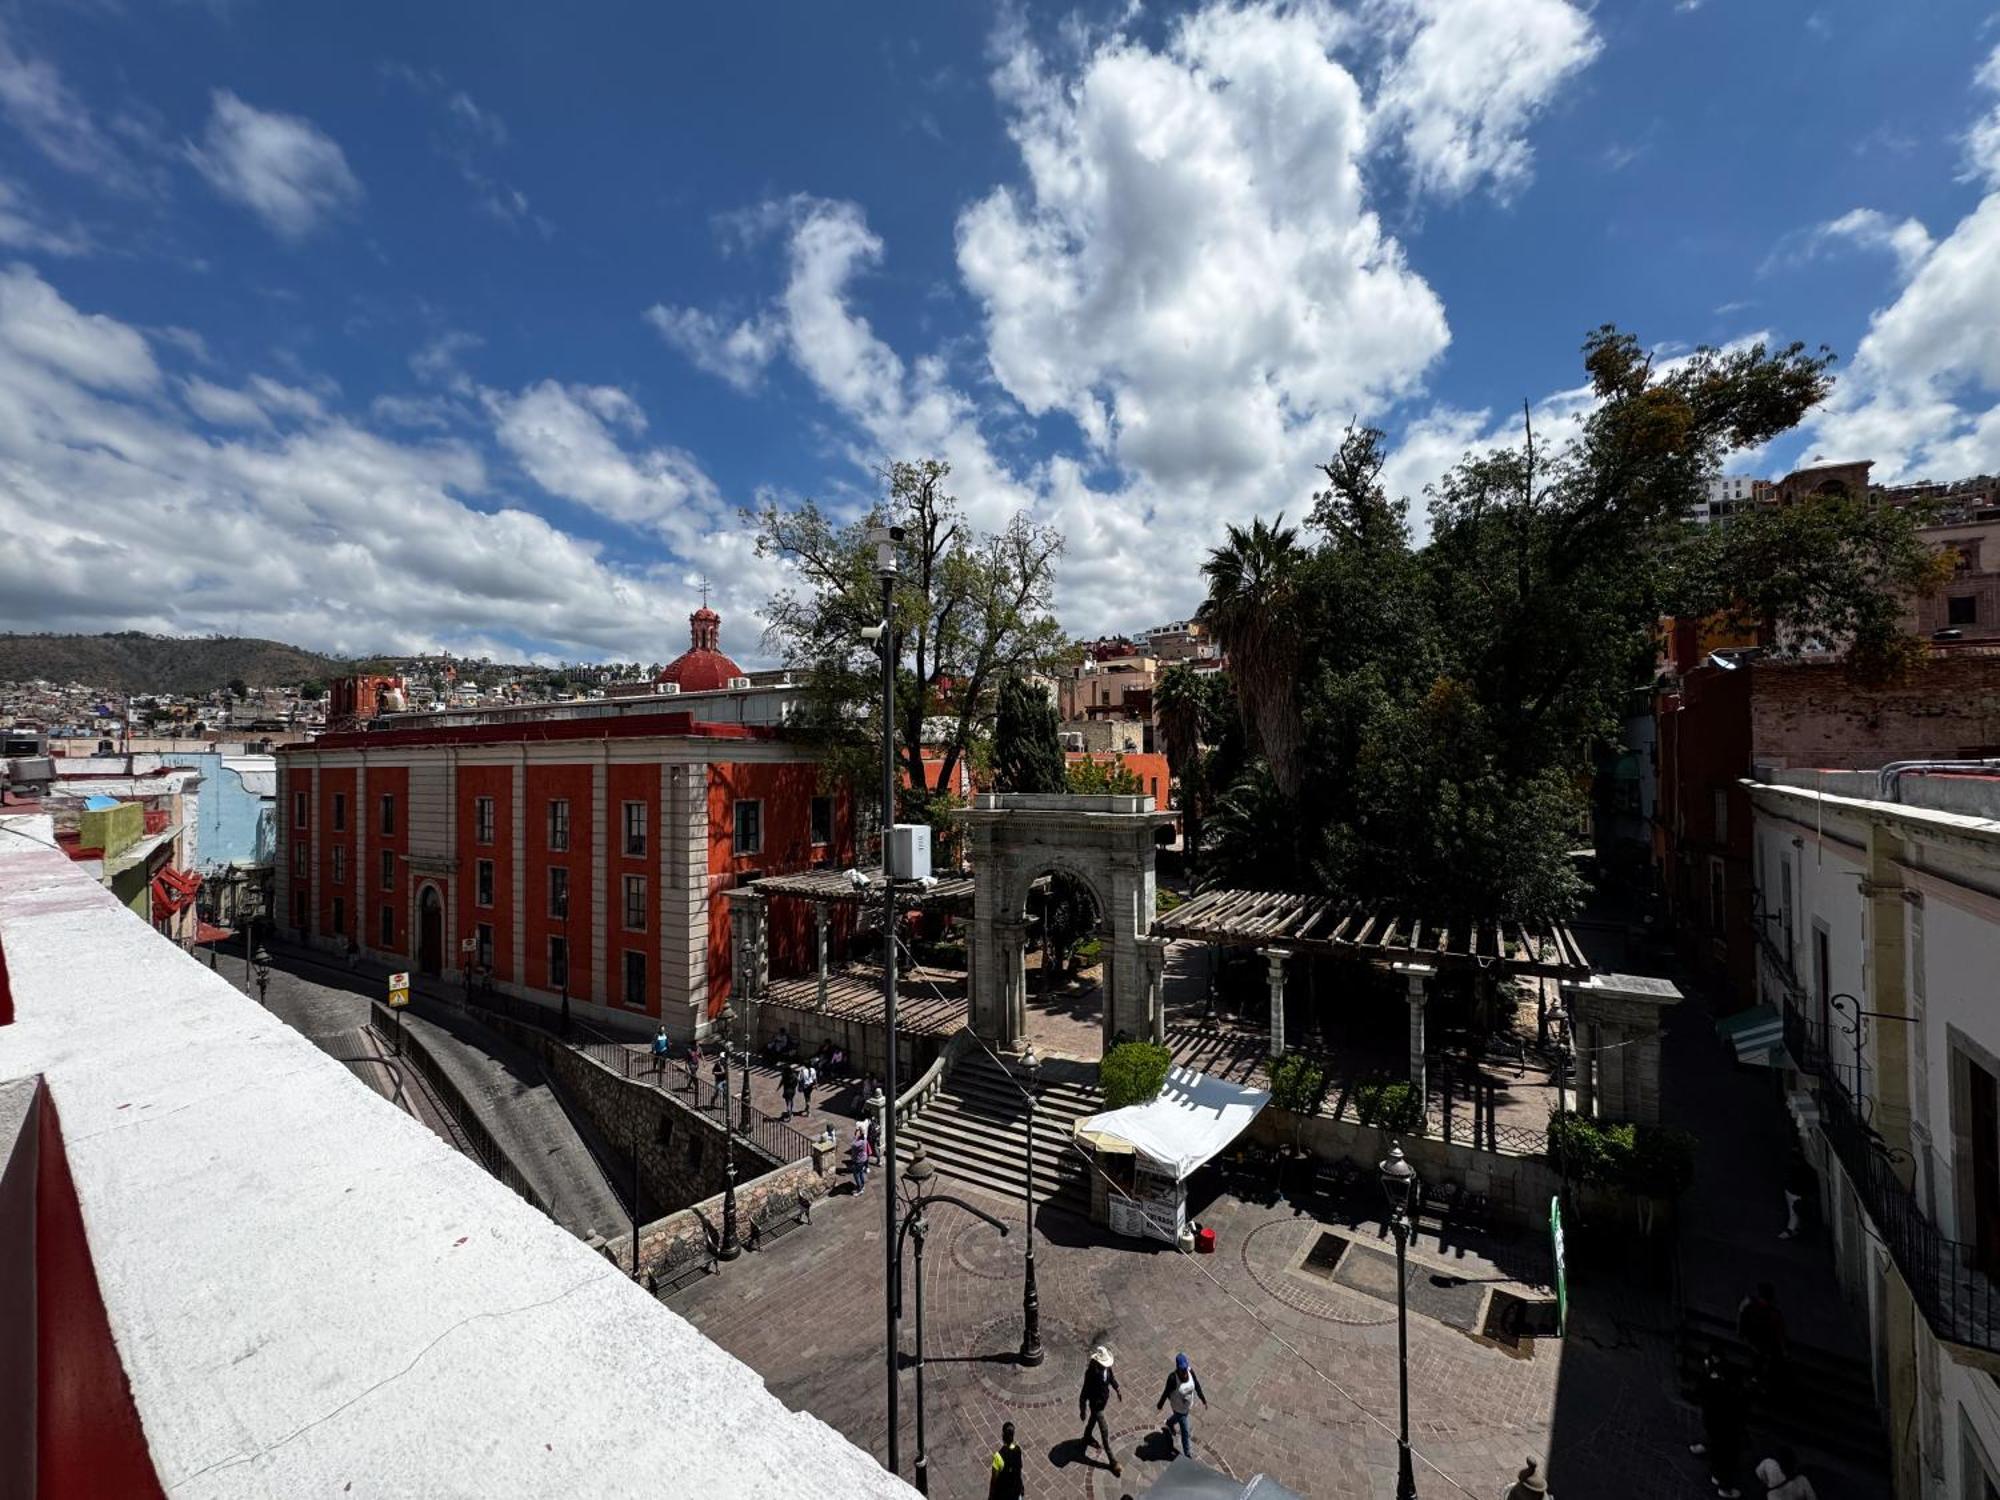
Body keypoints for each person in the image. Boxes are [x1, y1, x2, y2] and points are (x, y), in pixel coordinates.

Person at [1689, 1354, 1745, 1498]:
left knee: (1715, 1444)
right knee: (1725, 1454)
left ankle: (1715, 1472)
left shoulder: (1708, 1381)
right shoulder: (1724, 1390)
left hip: (1712, 1421)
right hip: (1723, 1425)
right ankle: (1722, 1483)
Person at [1079, 1345, 1123, 1476]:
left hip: (1103, 1402)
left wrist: (1117, 1389)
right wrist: (1082, 1410)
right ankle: (1113, 1463)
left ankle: (1087, 1437)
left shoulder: (1107, 1369)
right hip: (1096, 1406)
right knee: (1104, 1431)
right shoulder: (1091, 1374)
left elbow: (1111, 1378)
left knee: (1092, 1421)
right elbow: (1084, 1392)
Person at [1155, 1352, 1207, 1459]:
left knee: (1179, 1418)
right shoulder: (1172, 1378)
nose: (1184, 1372)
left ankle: (1169, 1423)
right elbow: (1166, 1392)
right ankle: (1187, 1454)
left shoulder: (1190, 1371)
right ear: (1177, 1368)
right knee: (1185, 1430)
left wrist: (1203, 1399)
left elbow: (1196, 1385)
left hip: (1187, 1406)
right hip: (1178, 1408)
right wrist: (1160, 1405)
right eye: (1181, 1370)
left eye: (1185, 1369)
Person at [1737, 1283, 1788, 1391]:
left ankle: (1755, 1380)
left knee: (1758, 1363)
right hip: (1761, 1344)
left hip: (1754, 1341)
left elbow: (1742, 1320)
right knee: (1761, 1363)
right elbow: (1779, 1332)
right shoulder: (1773, 1314)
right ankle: (1759, 1382)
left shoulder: (1750, 1306)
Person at [1779, 1149, 1812, 1240]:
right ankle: (1795, 1229)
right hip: (1794, 1192)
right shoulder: (1804, 1169)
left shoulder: (1794, 1169)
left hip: (1793, 1192)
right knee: (1794, 1213)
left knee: (1793, 1213)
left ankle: (1791, 1230)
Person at [988, 1419, 1025, 1500]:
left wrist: (991, 1496)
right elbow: (1019, 1469)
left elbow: (994, 1479)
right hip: (1016, 1491)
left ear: (1002, 1435)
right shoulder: (1018, 1450)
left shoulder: (999, 1456)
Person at [850, 1123, 872, 1194]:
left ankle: (859, 1189)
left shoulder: (858, 1143)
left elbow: (852, 1144)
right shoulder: (864, 1139)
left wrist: (856, 1136)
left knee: (856, 1175)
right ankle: (862, 1185)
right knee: (861, 1173)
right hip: (863, 1160)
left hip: (857, 1161)